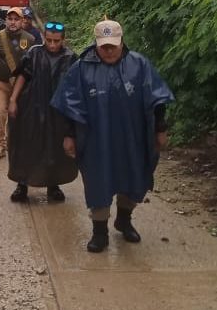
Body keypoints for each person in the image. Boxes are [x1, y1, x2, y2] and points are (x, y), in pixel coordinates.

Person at [51, 19, 174, 253]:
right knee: (99, 181)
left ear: (121, 42)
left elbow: (157, 99)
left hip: (133, 137)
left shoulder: (139, 64)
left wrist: (160, 128)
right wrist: (69, 135)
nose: (108, 51)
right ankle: (100, 232)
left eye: (113, 46)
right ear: (96, 43)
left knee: (134, 176)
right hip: (97, 139)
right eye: (103, 46)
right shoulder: (81, 68)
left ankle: (124, 220)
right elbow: (69, 104)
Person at [7, 21, 78, 202]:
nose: (52, 45)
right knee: (26, 144)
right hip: (32, 106)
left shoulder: (70, 58)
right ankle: (22, 184)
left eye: (56, 41)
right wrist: (14, 99)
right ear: (43, 38)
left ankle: (53, 185)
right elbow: (23, 75)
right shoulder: (34, 53)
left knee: (54, 148)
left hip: (58, 112)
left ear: (63, 39)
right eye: (49, 40)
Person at [0, 8, 35, 159]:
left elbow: (34, 63)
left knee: (21, 115)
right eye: (10, 19)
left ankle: (19, 143)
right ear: (6, 20)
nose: (13, 22)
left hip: (22, 86)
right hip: (1, 83)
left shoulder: (30, 39)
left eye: (16, 19)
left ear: (22, 21)